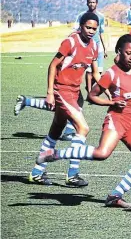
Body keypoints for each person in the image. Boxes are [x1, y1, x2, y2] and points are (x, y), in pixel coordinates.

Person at [36, 34, 131, 208]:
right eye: (128, 53)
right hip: (117, 119)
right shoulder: (112, 74)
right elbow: (92, 96)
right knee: (102, 154)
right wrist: (111, 102)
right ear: (119, 51)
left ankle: (114, 196)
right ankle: (56, 154)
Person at [29, 12, 101, 186]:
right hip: (62, 90)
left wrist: (110, 90)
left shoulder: (94, 46)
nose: (91, 31)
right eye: (88, 27)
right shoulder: (70, 42)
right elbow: (53, 65)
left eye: (94, 28)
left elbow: (96, 72)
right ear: (81, 25)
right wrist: (50, 92)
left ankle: (36, 173)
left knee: (55, 131)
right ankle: (72, 174)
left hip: (75, 93)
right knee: (83, 128)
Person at [74, 0, 107, 93]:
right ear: (87, 3)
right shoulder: (82, 15)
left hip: (97, 45)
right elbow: (76, 29)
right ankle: (89, 92)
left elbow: (101, 33)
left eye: (93, 2)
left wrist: (104, 48)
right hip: (86, 45)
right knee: (89, 70)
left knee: (99, 71)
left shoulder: (101, 17)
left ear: (97, 3)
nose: (91, 4)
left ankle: (91, 87)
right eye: (90, 2)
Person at [14, 94, 84, 141]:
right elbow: (52, 71)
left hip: (67, 80)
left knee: (68, 104)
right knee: (73, 103)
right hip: (64, 81)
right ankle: (68, 133)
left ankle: (26, 101)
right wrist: (50, 92)